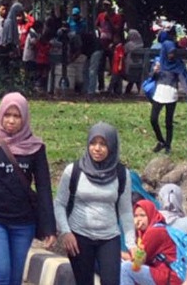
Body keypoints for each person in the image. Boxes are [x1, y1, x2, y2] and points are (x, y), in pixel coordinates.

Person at [0, 92, 52, 285]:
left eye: (17, 116)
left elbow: (43, 187)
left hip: (23, 223)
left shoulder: (36, 147)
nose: (11, 121)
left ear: (24, 118)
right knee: (1, 274)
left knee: (15, 278)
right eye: (7, 115)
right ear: (0, 115)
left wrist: (50, 226)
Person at [54, 122, 134, 285]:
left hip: (109, 238)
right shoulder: (74, 171)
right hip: (79, 237)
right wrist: (66, 232)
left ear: (112, 146)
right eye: (93, 143)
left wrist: (131, 244)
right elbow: (59, 204)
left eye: (103, 144)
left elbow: (125, 211)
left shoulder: (121, 174)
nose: (97, 148)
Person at [147, 43, 186, 154]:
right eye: (169, 52)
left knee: (168, 121)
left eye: (173, 52)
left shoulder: (177, 63)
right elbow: (151, 77)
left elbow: (181, 77)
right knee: (153, 118)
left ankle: (168, 145)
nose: (171, 55)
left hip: (171, 92)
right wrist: (155, 71)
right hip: (159, 91)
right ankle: (161, 140)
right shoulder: (159, 61)